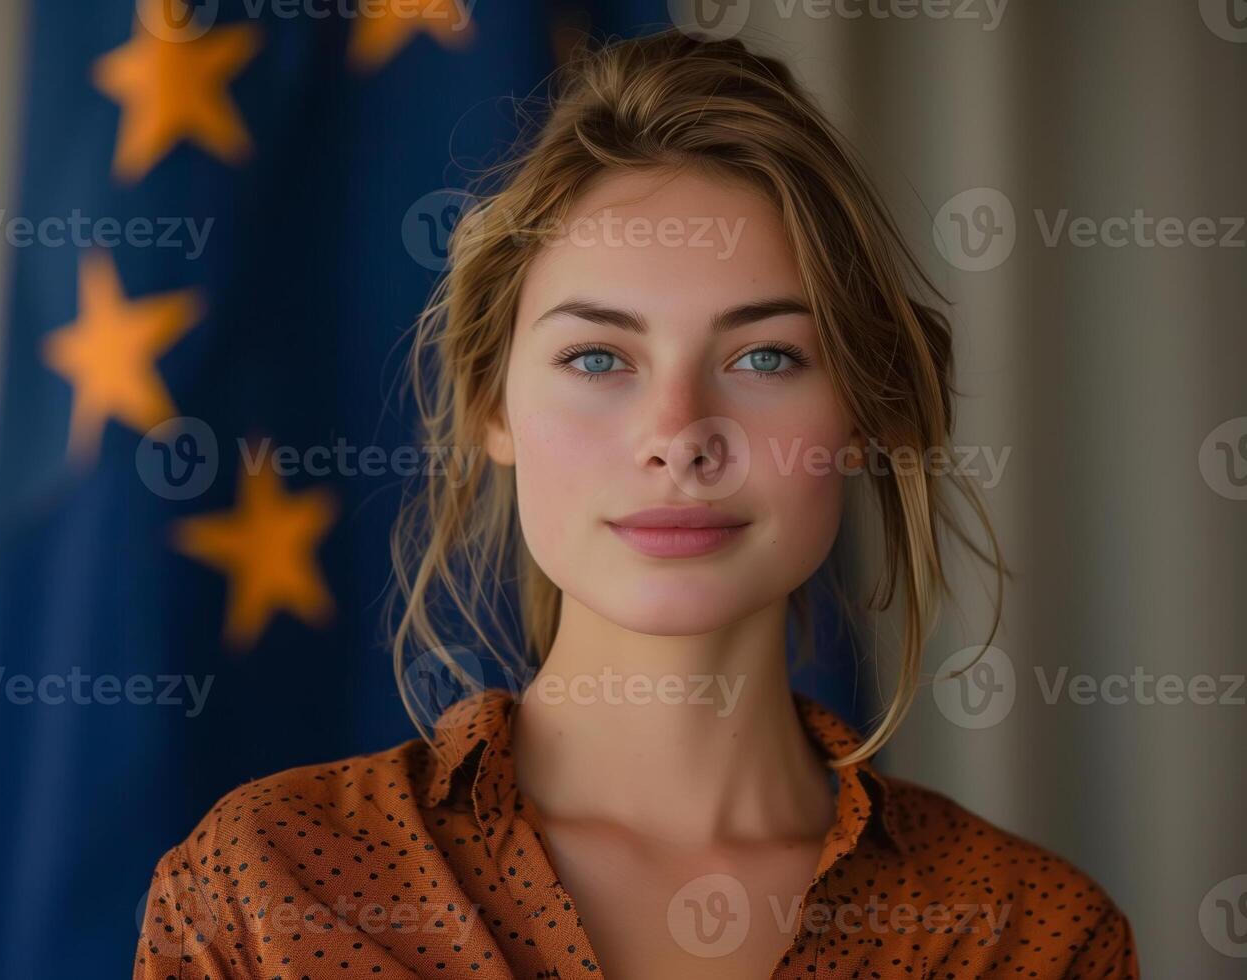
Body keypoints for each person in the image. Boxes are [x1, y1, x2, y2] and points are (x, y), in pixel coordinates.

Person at [134, 27, 1137, 979]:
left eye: (765, 355)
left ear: (866, 412)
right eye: (599, 356)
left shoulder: (1025, 935)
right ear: (494, 404)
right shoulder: (264, 888)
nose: (677, 432)